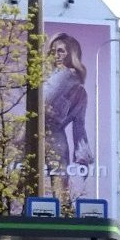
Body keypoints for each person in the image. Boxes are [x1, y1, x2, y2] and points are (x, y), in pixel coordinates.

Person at [42, 32, 94, 198]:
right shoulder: (81, 91)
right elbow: (80, 127)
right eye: (53, 51)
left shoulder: (65, 75)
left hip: (42, 130)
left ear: (71, 54)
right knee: (60, 188)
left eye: (61, 51)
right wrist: (81, 157)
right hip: (58, 139)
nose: (56, 55)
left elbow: (43, 101)